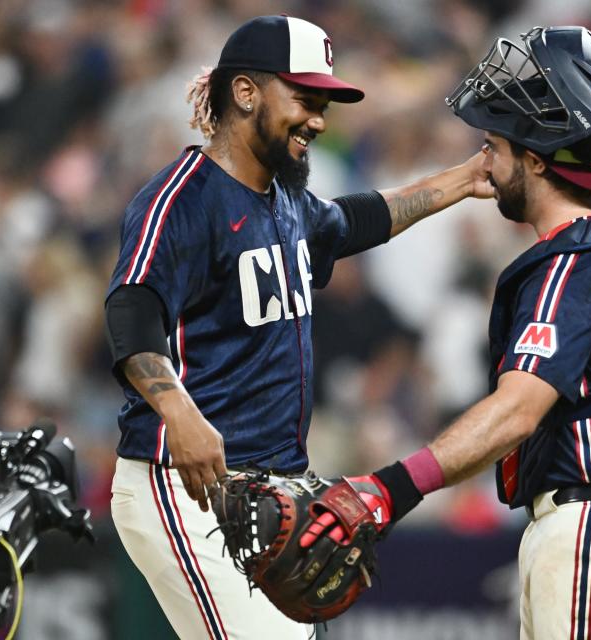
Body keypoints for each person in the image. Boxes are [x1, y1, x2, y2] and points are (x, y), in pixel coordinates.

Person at [103, 15, 490, 640]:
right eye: (305, 99)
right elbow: (131, 308)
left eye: (324, 103)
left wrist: (459, 182)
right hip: (187, 486)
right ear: (246, 92)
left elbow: (355, 220)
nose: (318, 118)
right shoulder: (181, 198)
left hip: (269, 489)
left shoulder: (284, 199)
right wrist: (177, 409)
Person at [301, 26, 591, 639]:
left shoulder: (577, 263)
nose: (483, 162)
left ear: (535, 160)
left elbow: (516, 411)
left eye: (493, 146)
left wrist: (390, 488)